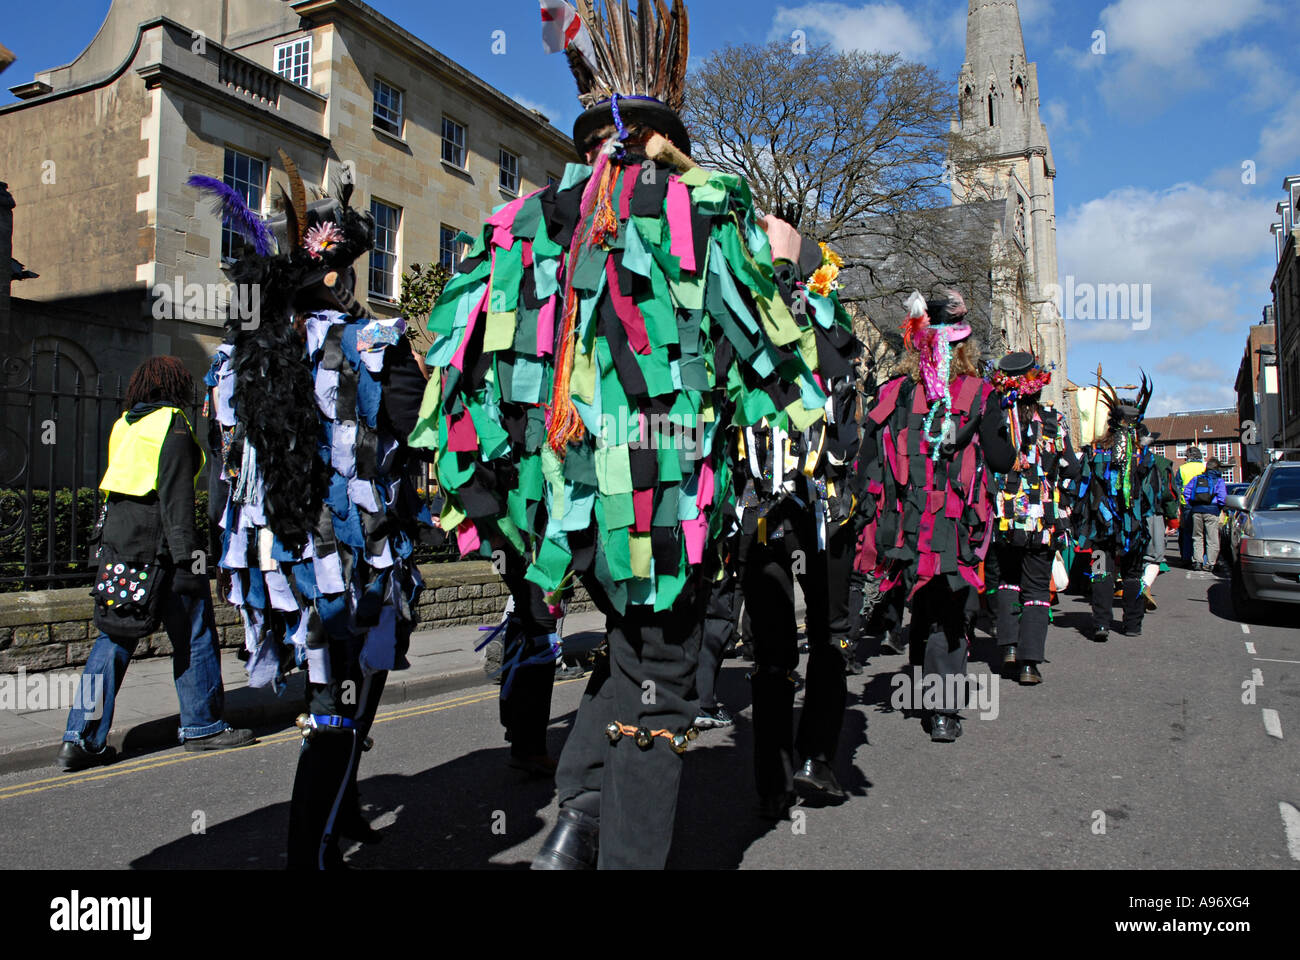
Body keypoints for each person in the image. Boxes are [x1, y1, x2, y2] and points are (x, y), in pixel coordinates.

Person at [409, 0, 851, 868]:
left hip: (567, 513)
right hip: (665, 512)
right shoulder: (703, 209)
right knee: (663, 698)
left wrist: (505, 507)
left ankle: (574, 826)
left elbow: (460, 381)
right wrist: (787, 268)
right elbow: (778, 369)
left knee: (625, 658)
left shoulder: (525, 222)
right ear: (664, 129)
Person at [192, 161, 431, 869]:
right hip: (352, 563)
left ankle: (346, 801)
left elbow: (222, 455)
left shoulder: (235, 361)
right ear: (342, 279)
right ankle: (312, 853)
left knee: (347, 688)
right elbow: (421, 434)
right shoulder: (376, 346)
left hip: (276, 560)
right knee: (338, 703)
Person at [58, 357, 254, 772]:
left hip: (120, 549)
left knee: (113, 638)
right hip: (165, 551)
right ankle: (203, 727)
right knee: (196, 636)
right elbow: (176, 498)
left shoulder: (125, 424)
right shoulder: (174, 424)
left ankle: (81, 737)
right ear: (176, 387)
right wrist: (193, 561)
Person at [854, 291, 1015, 743]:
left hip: (910, 521)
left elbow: (867, 448)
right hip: (954, 522)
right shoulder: (981, 394)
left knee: (925, 603)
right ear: (965, 349)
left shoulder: (897, 391)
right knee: (950, 607)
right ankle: (942, 709)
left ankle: (930, 697)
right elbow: (1002, 460)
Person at [987, 352, 1080, 685]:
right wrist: (1063, 503)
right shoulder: (1053, 422)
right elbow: (1072, 468)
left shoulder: (997, 419)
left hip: (1004, 518)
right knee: (1037, 585)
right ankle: (1029, 663)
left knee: (1008, 579)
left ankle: (1009, 645)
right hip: (1042, 518)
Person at [1075, 375, 1161, 641]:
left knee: (1101, 572)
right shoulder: (1144, 457)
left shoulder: (1096, 453)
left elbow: (1083, 489)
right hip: (1133, 529)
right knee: (1133, 574)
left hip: (1102, 528)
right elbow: (1152, 495)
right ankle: (1133, 624)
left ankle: (1101, 624)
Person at [1185, 457, 1228, 573]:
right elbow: (1222, 498)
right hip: (1212, 511)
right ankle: (1210, 563)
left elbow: (1186, 492)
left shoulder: (1196, 479)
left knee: (1197, 537)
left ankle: (1197, 562)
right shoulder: (1218, 481)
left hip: (1196, 510)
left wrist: (1193, 504)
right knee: (1212, 538)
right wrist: (1219, 508)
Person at [1176, 447, 1206, 566]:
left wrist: (1178, 505)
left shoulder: (1182, 469)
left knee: (1187, 532)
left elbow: (1177, 488)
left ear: (1188, 457)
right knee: (1201, 533)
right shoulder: (1205, 467)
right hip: (1204, 503)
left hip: (1186, 504)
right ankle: (1201, 558)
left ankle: (1186, 557)